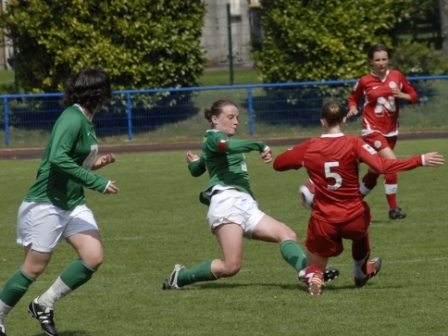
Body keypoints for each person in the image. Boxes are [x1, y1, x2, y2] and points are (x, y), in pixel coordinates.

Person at [162, 99, 339, 290]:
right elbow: (227, 148)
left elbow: (198, 169)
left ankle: (307, 271)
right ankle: (180, 277)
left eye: (237, 117)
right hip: (227, 202)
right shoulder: (213, 138)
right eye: (230, 117)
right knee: (231, 266)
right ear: (214, 119)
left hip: (246, 204)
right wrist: (259, 144)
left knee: (286, 233)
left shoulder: (215, 144)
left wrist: (193, 163)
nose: (236, 122)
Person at [273, 100, 444, 296]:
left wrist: (300, 159)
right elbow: (382, 166)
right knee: (361, 231)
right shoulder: (354, 143)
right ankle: (361, 271)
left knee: (314, 264)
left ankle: (315, 278)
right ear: (345, 119)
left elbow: (278, 164)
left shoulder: (310, 146)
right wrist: (420, 160)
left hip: (323, 220)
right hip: (353, 216)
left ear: (322, 122)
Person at [0, 68, 119, 336]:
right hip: (46, 203)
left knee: (93, 257)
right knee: (33, 268)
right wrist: (97, 183)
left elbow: (72, 163)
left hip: (72, 202)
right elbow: (57, 159)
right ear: (99, 92)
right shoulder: (72, 117)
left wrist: (96, 166)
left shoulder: (86, 120)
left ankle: (44, 304)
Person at [347, 43, 419, 220]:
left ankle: (352, 204)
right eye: (377, 60)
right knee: (391, 163)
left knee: (375, 170)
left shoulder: (397, 76)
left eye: (384, 59)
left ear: (388, 60)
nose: (381, 63)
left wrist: (403, 96)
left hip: (391, 131)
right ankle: (393, 209)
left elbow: (413, 96)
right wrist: (353, 108)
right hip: (372, 130)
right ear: (371, 61)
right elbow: (353, 98)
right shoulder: (365, 81)